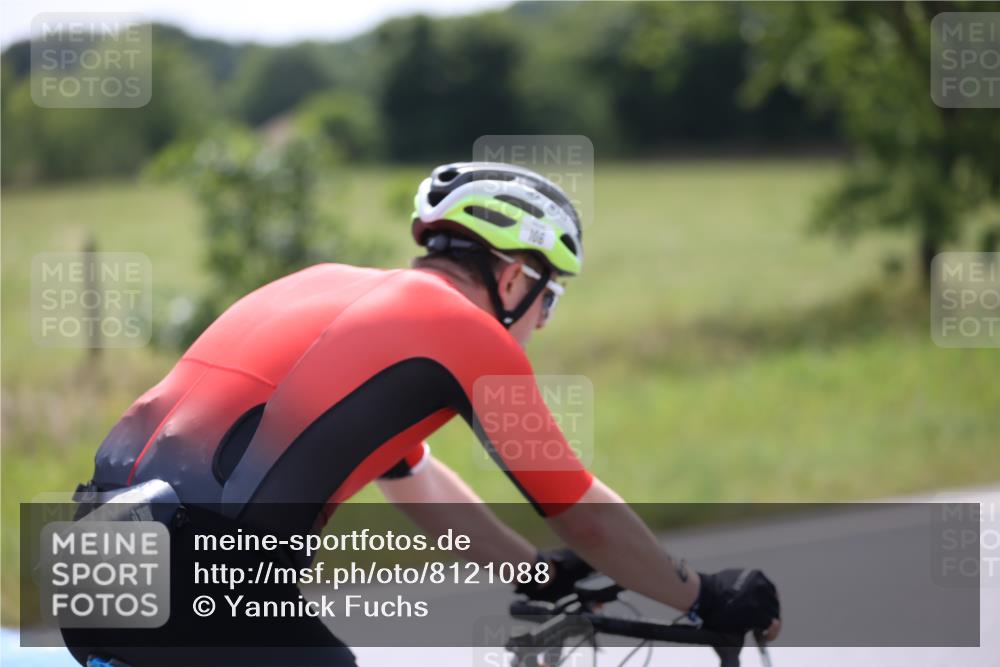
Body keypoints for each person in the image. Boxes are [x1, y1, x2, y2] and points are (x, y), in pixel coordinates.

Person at [65, 162, 780, 666]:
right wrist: (703, 595)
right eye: (549, 298)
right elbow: (578, 508)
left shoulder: (328, 285)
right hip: (200, 574)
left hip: (91, 550)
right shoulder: (467, 333)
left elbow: (418, 482)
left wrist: (532, 573)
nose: (544, 321)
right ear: (512, 276)